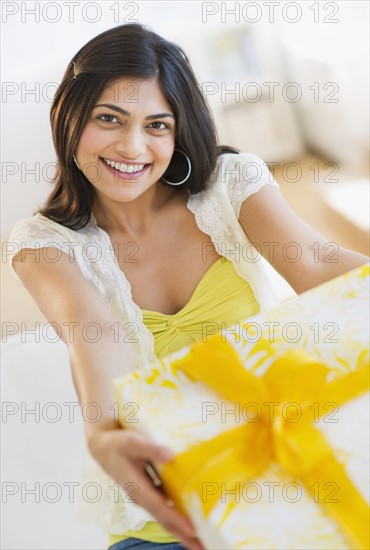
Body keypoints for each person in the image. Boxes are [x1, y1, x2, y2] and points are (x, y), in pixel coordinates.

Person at [8, 22, 368, 550]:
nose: (133, 147)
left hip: (290, 467)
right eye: (110, 118)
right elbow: (95, 334)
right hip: (163, 515)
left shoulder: (229, 186)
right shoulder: (43, 244)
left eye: (158, 124)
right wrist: (104, 433)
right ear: (69, 115)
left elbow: (314, 260)